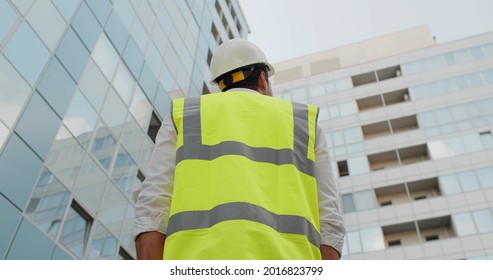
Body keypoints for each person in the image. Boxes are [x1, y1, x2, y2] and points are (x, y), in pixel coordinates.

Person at [134, 39, 345, 260]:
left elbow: (152, 209)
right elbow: (330, 224)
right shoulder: (303, 124)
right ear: (263, 79)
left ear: (222, 84)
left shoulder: (185, 116)